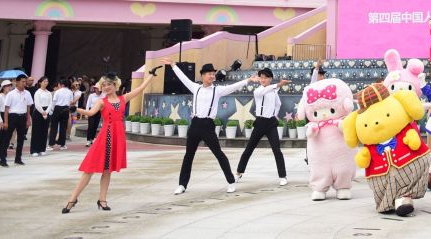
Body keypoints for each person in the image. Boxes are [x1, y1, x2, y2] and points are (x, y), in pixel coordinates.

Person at [61, 70, 158, 214]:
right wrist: (76, 109)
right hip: (105, 136)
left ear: (115, 85)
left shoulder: (123, 99)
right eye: (104, 85)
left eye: (109, 84)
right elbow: (90, 113)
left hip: (117, 137)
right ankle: (72, 199)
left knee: (107, 170)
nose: (106, 87)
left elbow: (140, 88)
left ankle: (102, 200)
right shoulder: (101, 101)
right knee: (89, 169)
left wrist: (151, 76)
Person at [165, 58, 257, 194]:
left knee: (218, 154)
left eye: (213, 74)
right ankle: (182, 185)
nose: (212, 76)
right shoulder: (195, 88)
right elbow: (183, 78)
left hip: (208, 125)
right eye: (209, 73)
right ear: (203, 75)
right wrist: (173, 66)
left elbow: (233, 87)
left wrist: (248, 80)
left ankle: (231, 181)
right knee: (188, 156)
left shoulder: (217, 90)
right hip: (195, 123)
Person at [236, 68, 290, 186]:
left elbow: (278, 104)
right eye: (261, 77)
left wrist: (274, 115)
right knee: (249, 148)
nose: (263, 79)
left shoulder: (274, 91)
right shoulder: (258, 91)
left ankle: (283, 176)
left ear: (270, 78)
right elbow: (266, 90)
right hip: (260, 122)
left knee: (277, 150)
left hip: (271, 123)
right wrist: (279, 84)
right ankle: (239, 172)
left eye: (266, 77)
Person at [0, 75, 33, 166]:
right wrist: (6, 122)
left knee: (21, 139)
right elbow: (6, 109)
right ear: (17, 82)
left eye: (25, 82)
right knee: (7, 138)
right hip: (12, 117)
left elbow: (28, 108)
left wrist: (28, 120)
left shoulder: (27, 93)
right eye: (23, 81)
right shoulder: (11, 94)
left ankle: (18, 158)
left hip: (22, 117)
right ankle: (3, 160)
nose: (24, 83)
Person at [50, 79, 74, 150]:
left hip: (57, 108)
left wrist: (52, 109)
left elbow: (54, 101)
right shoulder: (70, 92)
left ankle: (51, 145)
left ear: (62, 84)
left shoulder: (57, 91)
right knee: (63, 127)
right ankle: (62, 145)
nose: (58, 85)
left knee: (53, 127)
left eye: (59, 84)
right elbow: (71, 102)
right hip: (66, 109)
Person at [31, 77, 53, 156]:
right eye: (44, 81)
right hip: (38, 112)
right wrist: (42, 112)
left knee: (44, 131)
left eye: (47, 81)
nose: (46, 83)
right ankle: (34, 150)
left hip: (46, 111)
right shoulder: (37, 92)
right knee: (36, 131)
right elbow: (37, 104)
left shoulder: (48, 93)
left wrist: (46, 112)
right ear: (40, 82)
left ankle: (42, 149)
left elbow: (51, 103)